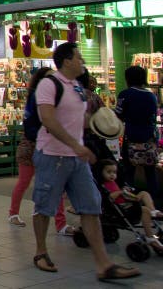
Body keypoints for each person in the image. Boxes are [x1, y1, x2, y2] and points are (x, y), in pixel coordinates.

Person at [31, 42, 140, 281]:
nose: (82, 61)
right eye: (79, 57)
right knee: (44, 206)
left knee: (91, 206)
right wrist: (75, 145)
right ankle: (40, 252)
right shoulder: (49, 85)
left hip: (77, 159)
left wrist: (104, 123)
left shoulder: (77, 88)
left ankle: (104, 264)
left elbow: (78, 119)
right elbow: (48, 120)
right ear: (67, 61)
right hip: (52, 155)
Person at [8, 67, 70, 233]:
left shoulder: (54, 98)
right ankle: (13, 213)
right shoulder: (35, 98)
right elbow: (30, 126)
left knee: (55, 184)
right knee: (25, 181)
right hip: (32, 146)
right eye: (49, 78)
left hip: (47, 145)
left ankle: (60, 222)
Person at [98, 158, 163, 251]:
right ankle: (149, 237)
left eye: (114, 172)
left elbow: (122, 193)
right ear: (101, 172)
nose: (112, 174)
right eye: (109, 172)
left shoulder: (114, 182)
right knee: (144, 210)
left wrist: (126, 190)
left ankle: (153, 211)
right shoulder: (103, 185)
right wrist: (120, 192)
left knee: (144, 193)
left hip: (128, 202)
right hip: (122, 208)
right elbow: (109, 198)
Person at [116, 65, 159, 204]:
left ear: (128, 78)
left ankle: (129, 203)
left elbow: (119, 115)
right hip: (149, 139)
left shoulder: (125, 94)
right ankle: (153, 205)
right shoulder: (151, 96)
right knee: (150, 174)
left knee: (129, 173)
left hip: (131, 138)